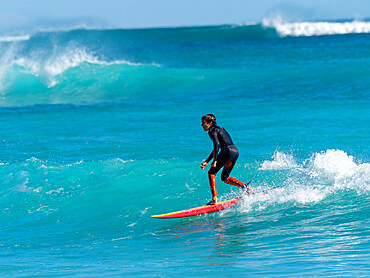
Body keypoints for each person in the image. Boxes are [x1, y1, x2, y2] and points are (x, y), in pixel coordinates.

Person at [200, 114, 250, 205]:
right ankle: (245, 187)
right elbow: (216, 148)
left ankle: (214, 199)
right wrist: (207, 161)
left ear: (210, 122)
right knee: (225, 177)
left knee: (211, 172)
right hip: (234, 152)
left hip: (226, 152)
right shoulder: (221, 129)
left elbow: (216, 145)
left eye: (204, 123)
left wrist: (214, 161)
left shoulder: (211, 130)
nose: (202, 125)